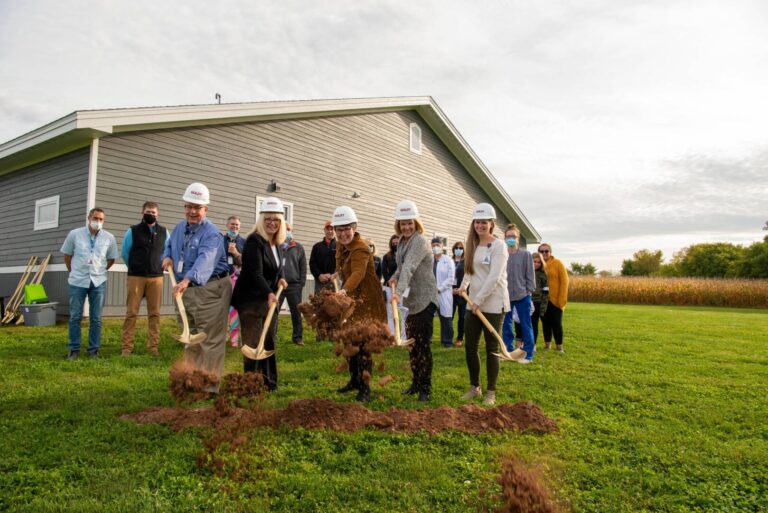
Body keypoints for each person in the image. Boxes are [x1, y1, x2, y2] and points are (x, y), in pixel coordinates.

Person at [162, 183, 232, 390]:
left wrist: (187, 279)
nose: (192, 211)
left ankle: (209, 386)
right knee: (191, 336)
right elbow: (169, 245)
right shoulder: (179, 227)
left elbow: (206, 259)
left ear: (206, 209)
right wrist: (166, 257)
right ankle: (191, 381)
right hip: (186, 290)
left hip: (211, 289)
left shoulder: (212, 234)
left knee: (210, 339)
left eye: (197, 207)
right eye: (189, 206)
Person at [231, 197, 288, 391]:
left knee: (269, 339)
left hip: (267, 299)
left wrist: (281, 278)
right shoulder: (254, 240)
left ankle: (269, 382)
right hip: (250, 300)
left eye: (276, 220)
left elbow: (277, 267)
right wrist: (269, 293)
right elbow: (255, 272)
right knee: (253, 342)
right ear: (261, 220)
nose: (272, 223)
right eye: (268, 219)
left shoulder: (277, 243)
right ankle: (250, 384)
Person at [332, 206, 387, 403]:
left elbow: (358, 273)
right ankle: (354, 380)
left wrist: (344, 290)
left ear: (354, 227)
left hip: (367, 302)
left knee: (363, 346)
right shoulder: (341, 245)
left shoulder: (361, 247)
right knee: (350, 341)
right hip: (352, 300)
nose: (343, 233)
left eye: (347, 228)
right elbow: (344, 266)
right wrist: (337, 274)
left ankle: (365, 388)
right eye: (339, 229)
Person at [458, 203, 509, 406]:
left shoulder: (499, 246)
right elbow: (470, 270)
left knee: (491, 348)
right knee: (470, 347)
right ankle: (474, 387)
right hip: (474, 304)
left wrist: (478, 300)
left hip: (493, 303)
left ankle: (491, 391)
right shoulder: (472, 244)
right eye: (477, 222)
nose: (480, 226)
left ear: (492, 224)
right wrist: (463, 286)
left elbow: (494, 277)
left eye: (484, 222)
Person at [389, 200, 439, 402]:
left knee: (422, 344)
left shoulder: (419, 241)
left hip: (425, 299)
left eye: (410, 223)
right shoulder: (402, 242)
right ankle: (416, 382)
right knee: (412, 344)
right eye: (403, 224)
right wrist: (393, 276)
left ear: (416, 223)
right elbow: (401, 268)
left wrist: (398, 291)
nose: (406, 227)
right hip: (412, 302)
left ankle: (425, 388)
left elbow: (409, 267)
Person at [61, 207, 118, 359]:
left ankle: (93, 350)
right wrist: (73, 271)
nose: (97, 222)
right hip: (78, 281)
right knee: (75, 317)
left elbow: (112, 258)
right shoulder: (75, 234)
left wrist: (100, 270)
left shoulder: (109, 238)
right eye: (95, 218)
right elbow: (67, 255)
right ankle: (73, 349)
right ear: (88, 218)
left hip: (98, 282)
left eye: (101, 219)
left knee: (96, 318)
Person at [120, 201, 168, 357]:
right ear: (142, 213)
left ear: (158, 214)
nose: (151, 214)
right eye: (148, 212)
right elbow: (125, 252)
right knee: (131, 312)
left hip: (156, 278)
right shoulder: (132, 231)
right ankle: (126, 348)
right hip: (136, 276)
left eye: (154, 212)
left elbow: (168, 252)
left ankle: (153, 347)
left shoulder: (164, 232)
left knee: (154, 314)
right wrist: (135, 267)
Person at [501, 224, 536, 364]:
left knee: (526, 325)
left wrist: (529, 293)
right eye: (508, 236)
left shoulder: (525, 254)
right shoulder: (502, 254)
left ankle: (527, 354)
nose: (511, 239)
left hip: (523, 296)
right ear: (505, 238)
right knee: (506, 325)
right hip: (505, 296)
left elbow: (530, 275)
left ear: (518, 238)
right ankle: (508, 352)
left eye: (513, 236)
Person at [280, 222, 307, 346]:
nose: (287, 231)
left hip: (294, 285)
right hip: (278, 285)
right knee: (273, 312)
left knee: (296, 313)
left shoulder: (298, 247)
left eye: (289, 229)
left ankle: (297, 337)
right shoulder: (276, 246)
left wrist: (301, 283)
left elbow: (303, 267)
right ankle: (270, 337)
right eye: (284, 229)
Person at [538, 243, 569, 352]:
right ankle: (547, 345)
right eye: (541, 251)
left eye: (546, 251)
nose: (544, 253)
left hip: (556, 300)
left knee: (556, 323)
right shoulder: (538, 264)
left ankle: (559, 346)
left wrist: (562, 300)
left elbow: (565, 282)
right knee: (545, 323)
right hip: (542, 300)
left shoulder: (557, 263)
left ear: (550, 252)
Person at [223, 216, 246, 347]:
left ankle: (235, 339)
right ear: (227, 225)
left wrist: (237, 253)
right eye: (232, 224)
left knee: (235, 309)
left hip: (238, 280)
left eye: (237, 225)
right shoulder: (220, 240)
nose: (234, 227)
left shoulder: (244, 242)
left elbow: (248, 261)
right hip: (222, 279)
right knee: (223, 309)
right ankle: (223, 335)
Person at [432, 237, 455, 348]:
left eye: (438, 245)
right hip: (430, 293)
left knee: (445, 317)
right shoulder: (430, 261)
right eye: (433, 245)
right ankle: (428, 339)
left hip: (443, 293)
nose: (435, 247)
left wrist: (439, 288)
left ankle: (447, 341)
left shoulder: (448, 260)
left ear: (442, 246)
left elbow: (450, 279)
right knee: (428, 317)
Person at [309, 220, 337, 294]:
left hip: (335, 281)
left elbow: (343, 265)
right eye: (328, 229)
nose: (330, 231)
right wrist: (319, 275)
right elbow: (312, 264)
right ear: (324, 230)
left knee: (335, 304)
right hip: (320, 282)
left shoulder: (340, 247)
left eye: (332, 229)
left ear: (335, 230)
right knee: (319, 304)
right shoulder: (317, 247)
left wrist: (332, 274)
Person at [530, 252, 549, 345]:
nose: (536, 264)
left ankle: (533, 345)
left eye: (539, 262)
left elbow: (545, 293)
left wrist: (543, 307)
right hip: (525, 301)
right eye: (534, 261)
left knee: (534, 324)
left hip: (537, 302)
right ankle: (522, 344)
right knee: (523, 324)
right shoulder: (526, 272)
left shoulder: (543, 275)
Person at [451, 241, 466, 347]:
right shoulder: (449, 260)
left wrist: (461, 289)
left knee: (462, 317)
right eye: (456, 247)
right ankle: (448, 336)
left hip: (463, 293)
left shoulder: (466, 262)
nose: (458, 249)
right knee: (449, 317)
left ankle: (460, 338)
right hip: (450, 293)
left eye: (461, 248)